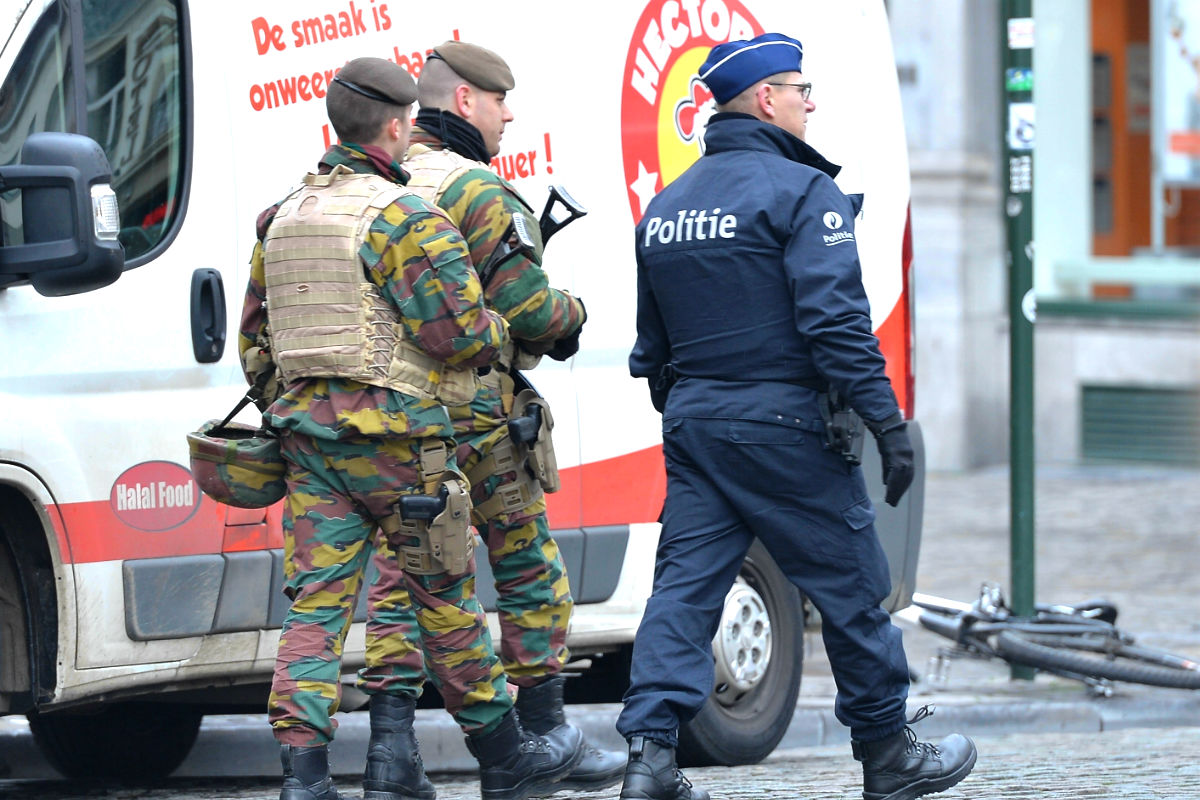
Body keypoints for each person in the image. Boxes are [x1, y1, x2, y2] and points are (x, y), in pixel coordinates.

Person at [616, 33, 978, 800]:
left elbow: (649, 348)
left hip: (696, 423)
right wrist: (884, 423)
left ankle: (649, 760)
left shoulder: (667, 206)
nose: (811, 103)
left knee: (683, 592)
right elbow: (836, 327)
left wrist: (695, 412)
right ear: (764, 99)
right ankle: (889, 753)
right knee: (852, 586)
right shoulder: (802, 194)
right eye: (799, 89)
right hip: (784, 424)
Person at [239, 57, 581, 800]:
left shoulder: (282, 215)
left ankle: (303, 779)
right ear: (396, 127)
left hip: (309, 446)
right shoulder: (402, 218)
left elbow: (255, 346)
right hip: (402, 447)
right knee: (447, 599)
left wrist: (300, 411)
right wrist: (498, 330)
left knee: (316, 612)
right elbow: (457, 335)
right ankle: (504, 758)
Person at [382, 40, 625, 791]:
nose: (508, 113)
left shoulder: (376, 180)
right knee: (525, 562)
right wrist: (573, 314)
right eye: (498, 101)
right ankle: (545, 730)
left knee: (402, 577)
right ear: (464, 103)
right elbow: (527, 308)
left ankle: (391, 750)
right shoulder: (478, 190)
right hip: (474, 415)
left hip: (386, 420)